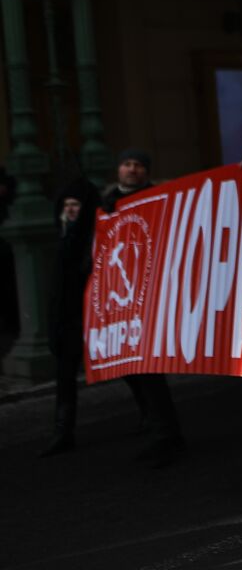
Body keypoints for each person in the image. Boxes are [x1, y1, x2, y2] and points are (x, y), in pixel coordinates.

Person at [101, 149, 186, 467]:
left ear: (146, 172)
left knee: (147, 369)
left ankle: (165, 433)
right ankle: (156, 423)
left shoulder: (159, 198)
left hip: (148, 298)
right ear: (118, 169)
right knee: (132, 368)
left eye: (138, 165)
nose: (132, 169)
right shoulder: (106, 203)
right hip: (120, 298)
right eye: (127, 164)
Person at [40, 179, 101, 456]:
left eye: (76, 205)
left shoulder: (87, 237)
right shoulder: (64, 235)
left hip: (90, 315)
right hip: (69, 319)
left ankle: (151, 417)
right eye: (66, 206)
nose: (71, 210)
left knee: (128, 372)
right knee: (65, 375)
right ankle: (63, 431)